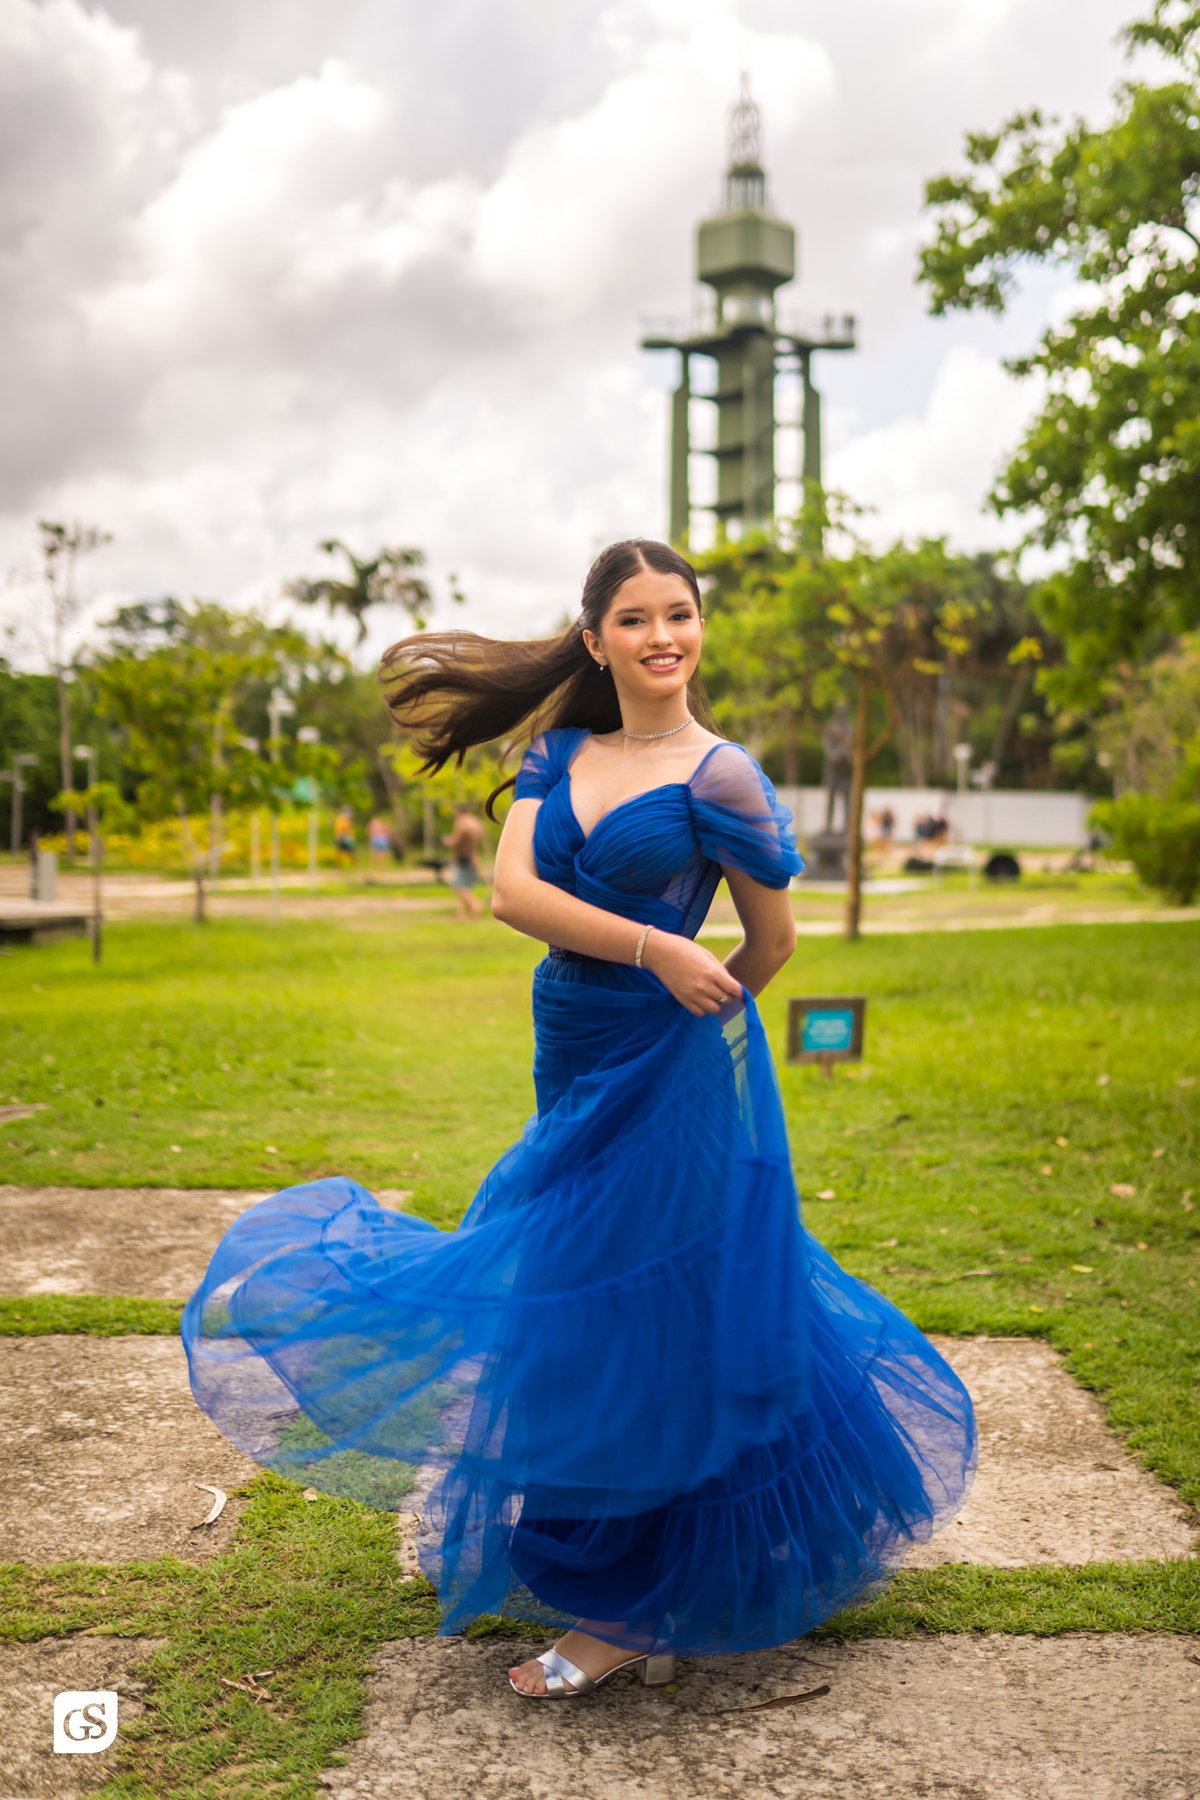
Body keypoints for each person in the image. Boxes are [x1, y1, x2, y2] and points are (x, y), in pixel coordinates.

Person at [181, 539, 975, 1703]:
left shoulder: (723, 777)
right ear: (595, 635)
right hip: (574, 1050)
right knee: (568, 1278)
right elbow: (516, 896)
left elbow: (773, 942)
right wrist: (659, 947)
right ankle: (613, 1543)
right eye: (639, 618)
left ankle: (630, 1605)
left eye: (684, 615)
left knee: (658, 1292)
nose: (665, 637)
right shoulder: (559, 752)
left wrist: (696, 1018)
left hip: (672, 1067)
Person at [442, 804, 484, 918]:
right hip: (474, 857)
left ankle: (475, 905)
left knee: (458, 886)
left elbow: (455, 841)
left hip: (463, 858)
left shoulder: (462, 824)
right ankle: (463, 914)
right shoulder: (475, 822)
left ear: (458, 812)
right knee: (465, 885)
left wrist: (447, 841)